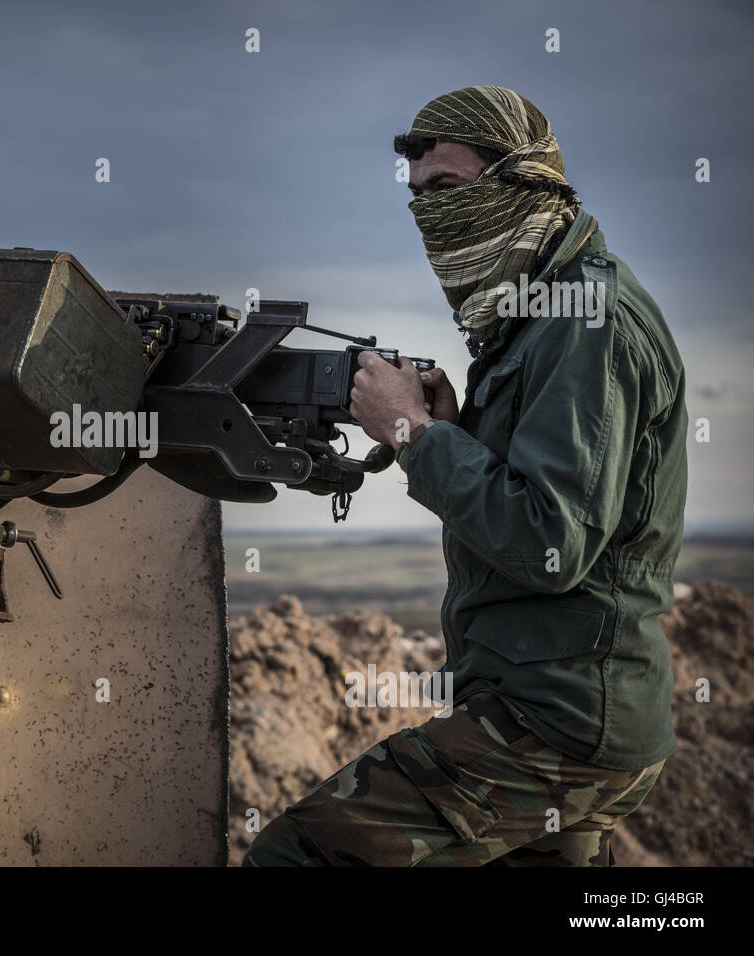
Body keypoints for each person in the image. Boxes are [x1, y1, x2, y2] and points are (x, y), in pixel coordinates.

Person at [243, 85, 687, 866]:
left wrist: (411, 434)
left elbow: (551, 543)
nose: (428, 216)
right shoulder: (543, 315)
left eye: (446, 190)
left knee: (295, 857)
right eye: (416, 198)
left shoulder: (585, 323)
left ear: (526, 182)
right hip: (571, 716)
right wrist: (455, 432)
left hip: (554, 723)